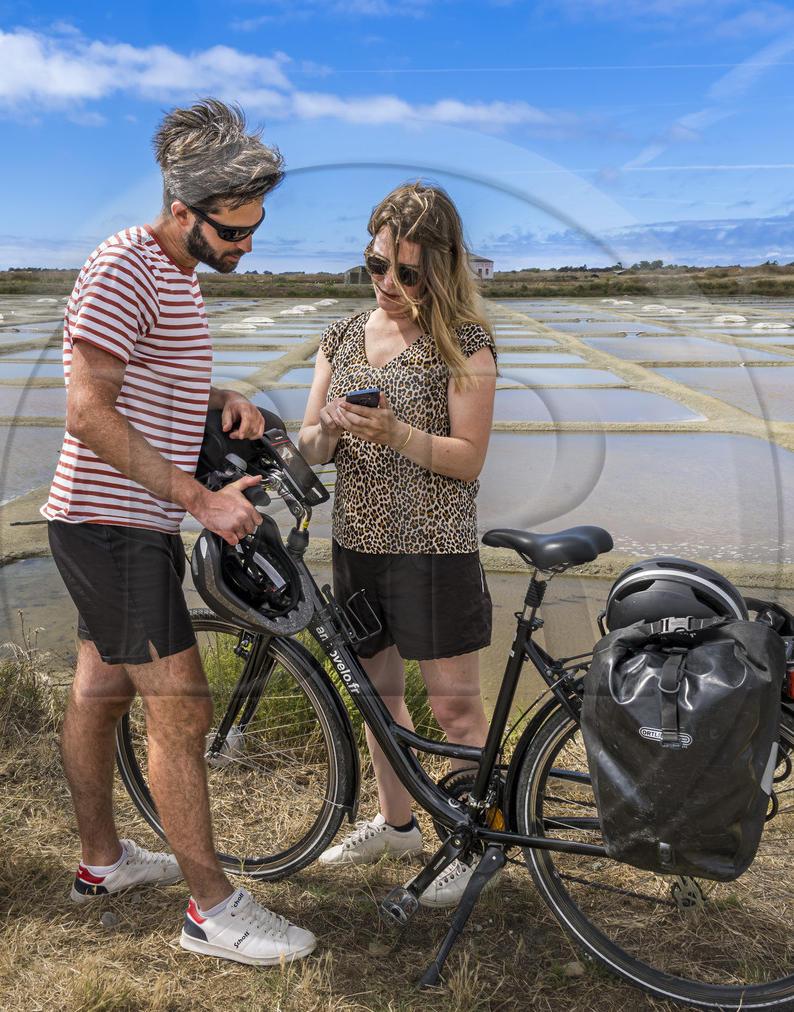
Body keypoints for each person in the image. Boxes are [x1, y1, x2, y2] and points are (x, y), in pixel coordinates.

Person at [42, 99, 316, 965]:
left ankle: (103, 863)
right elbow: (88, 411)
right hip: (110, 522)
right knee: (184, 710)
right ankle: (213, 908)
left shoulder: (178, 278)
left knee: (99, 691)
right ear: (182, 209)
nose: (246, 246)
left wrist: (217, 398)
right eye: (234, 231)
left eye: (255, 228)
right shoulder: (121, 267)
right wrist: (202, 500)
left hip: (125, 522)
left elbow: (144, 380)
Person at [294, 181, 498, 907]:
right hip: (358, 544)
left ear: (439, 269)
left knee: (455, 709)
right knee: (377, 695)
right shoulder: (343, 336)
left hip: (433, 549)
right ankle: (399, 823)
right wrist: (325, 435)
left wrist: (398, 434)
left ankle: (476, 844)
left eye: (407, 273)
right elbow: (314, 440)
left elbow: (469, 456)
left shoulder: (465, 341)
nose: (388, 284)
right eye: (376, 266)